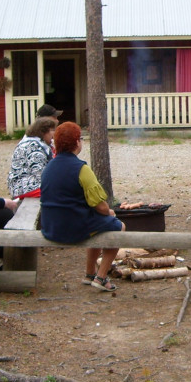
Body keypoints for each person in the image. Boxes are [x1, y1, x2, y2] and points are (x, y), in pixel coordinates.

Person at [40, 122, 125, 292]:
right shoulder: (81, 169)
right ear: (77, 142)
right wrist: (109, 212)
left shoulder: (48, 167)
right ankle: (101, 277)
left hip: (50, 226)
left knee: (98, 225)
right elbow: (99, 206)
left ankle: (89, 273)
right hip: (72, 227)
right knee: (117, 226)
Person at [7, 117, 57, 199]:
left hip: (28, 184)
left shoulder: (40, 144)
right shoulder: (33, 146)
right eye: (52, 130)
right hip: (23, 187)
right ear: (43, 132)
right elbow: (40, 174)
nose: (54, 133)